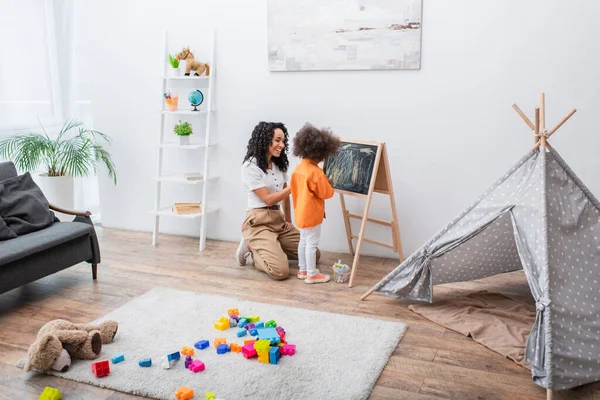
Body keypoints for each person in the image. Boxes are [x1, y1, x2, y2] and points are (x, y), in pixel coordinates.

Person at [236, 121, 320, 280]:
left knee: (313, 255)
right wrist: (295, 185)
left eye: (283, 141)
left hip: (278, 220)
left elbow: (285, 196)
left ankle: (271, 247)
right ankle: (251, 246)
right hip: (258, 221)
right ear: (265, 140)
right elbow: (268, 199)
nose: (281, 145)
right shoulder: (250, 166)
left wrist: (288, 220)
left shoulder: (279, 163)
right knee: (281, 271)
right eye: (277, 140)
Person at [290, 123, 341, 284]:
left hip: (300, 214)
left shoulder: (298, 169)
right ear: (320, 153)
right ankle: (312, 274)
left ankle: (303, 269)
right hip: (312, 215)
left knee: (303, 241)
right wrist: (329, 183)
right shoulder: (316, 172)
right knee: (312, 243)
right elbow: (327, 193)